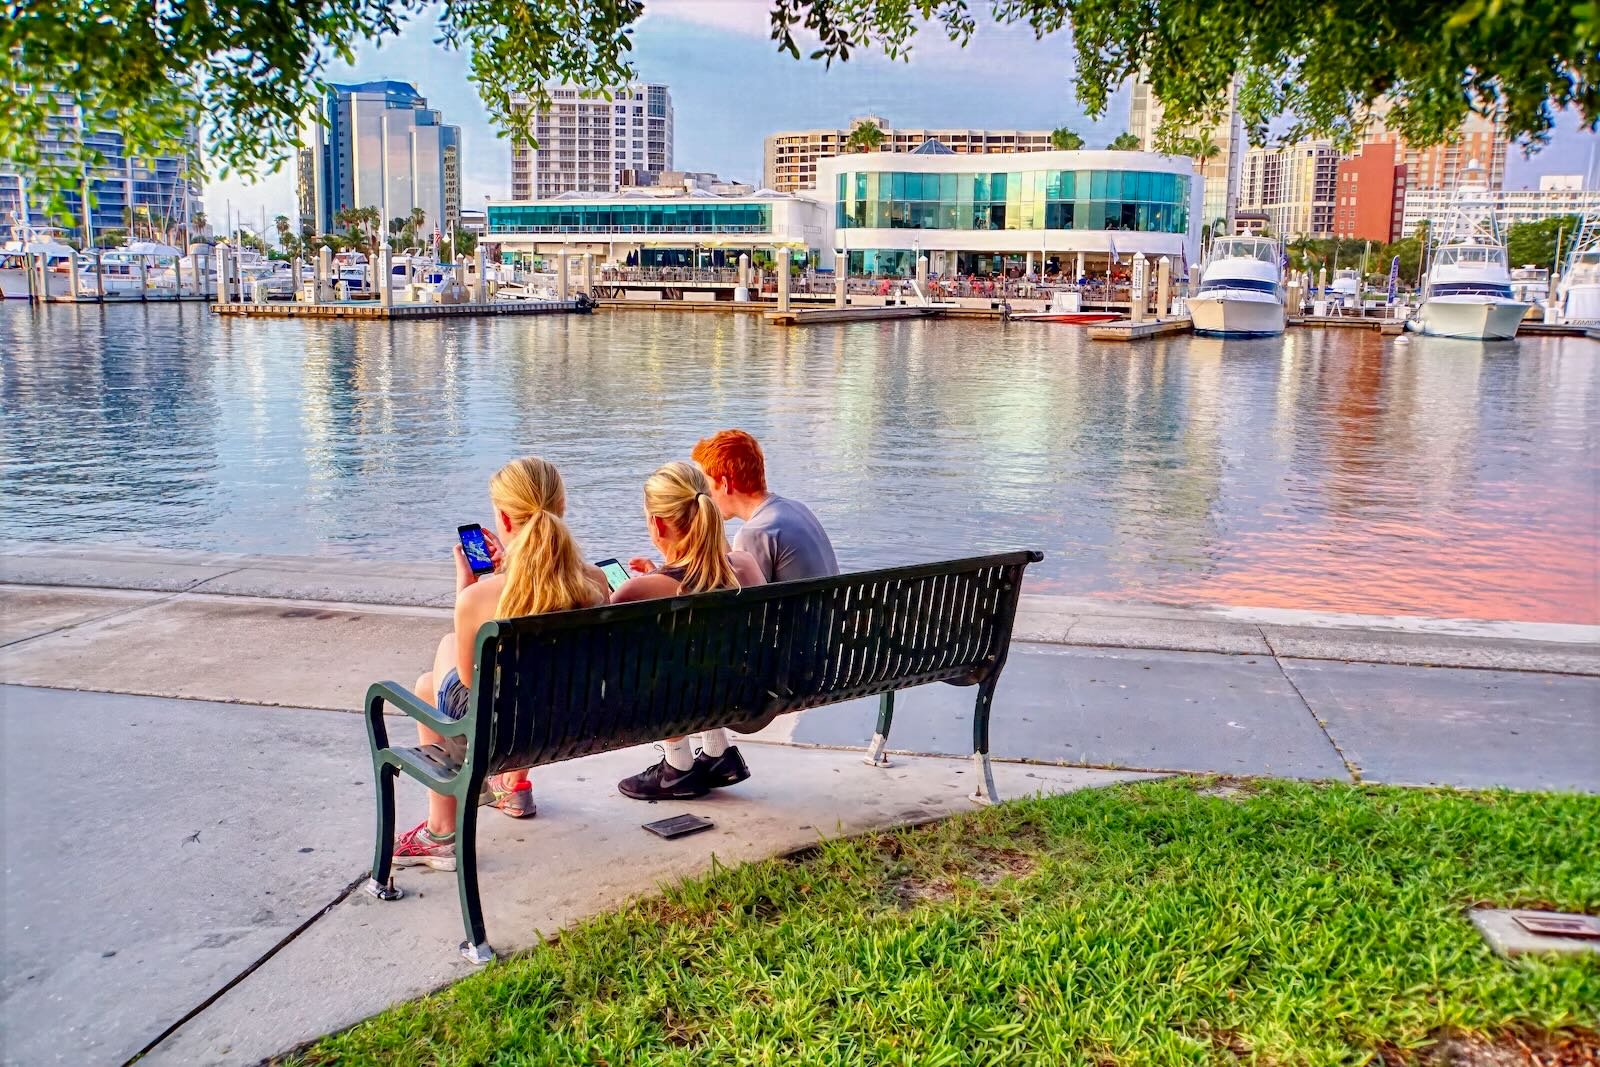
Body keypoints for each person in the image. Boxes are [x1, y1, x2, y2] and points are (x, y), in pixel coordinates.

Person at [392, 457, 610, 871]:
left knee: (444, 655)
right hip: (570, 723)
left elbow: (466, 682)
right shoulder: (595, 581)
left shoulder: (480, 598)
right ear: (559, 510)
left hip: (501, 733)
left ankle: (441, 831)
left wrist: (467, 589)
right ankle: (511, 788)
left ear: (505, 519)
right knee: (430, 685)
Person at [613, 461, 766, 801]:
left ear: (656, 523)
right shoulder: (746, 564)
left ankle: (677, 768)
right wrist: (657, 573)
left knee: (653, 660)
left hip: (684, 697)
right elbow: (702, 580)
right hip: (747, 691)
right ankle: (718, 754)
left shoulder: (635, 592)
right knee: (697, 654)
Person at [682, 428, 839, 584]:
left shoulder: (755, 533)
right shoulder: (798, 509)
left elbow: (740, 596)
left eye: (705, 484)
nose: (703, 493)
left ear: (725, 484)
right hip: (829, 608)